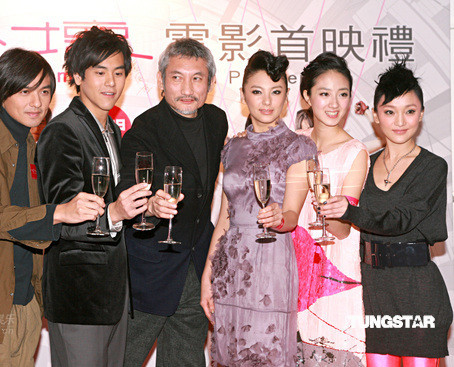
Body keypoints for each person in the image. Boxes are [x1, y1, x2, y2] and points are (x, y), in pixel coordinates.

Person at [0, 48, 104, 366]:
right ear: (1, 91)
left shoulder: (37, 150)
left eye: (45, 91)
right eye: (25, 91)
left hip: (26, 309)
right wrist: (59, 212)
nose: (37, 102)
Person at [320, 61, 453, 366]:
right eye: (390, 111)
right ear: (376, 116)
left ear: (420, 114)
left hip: (417, 293)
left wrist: (352, 212)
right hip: (373, 294)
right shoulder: (363, 163)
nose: (400, 121)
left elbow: (399, 220)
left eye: (410, 110)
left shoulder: (432, 167)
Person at [36, 27, 150, 366]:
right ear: (77, 77)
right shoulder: (63, 132)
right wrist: (113, 213)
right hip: (79, 297)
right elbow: (59, 215)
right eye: (99, 72)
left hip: (112, 294)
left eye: (118, 72)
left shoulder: (110, 130)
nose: (110, 82)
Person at [200, 50, 316, 366]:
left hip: (271, 263)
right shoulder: (232, 147)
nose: (267, 101)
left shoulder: (299, 146)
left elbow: (291, 216)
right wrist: (208, 275)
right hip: (230, 267)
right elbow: (225, 217)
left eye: (275, 92)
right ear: (244, 96)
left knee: (268, 354)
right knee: (228, 356)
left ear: (286, 97)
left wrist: (280, 217)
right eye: (257, 91)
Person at [117, 38, 228, 366]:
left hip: (195, 268)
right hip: (149, 271)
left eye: (198, 78)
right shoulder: (144, 130)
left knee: (187, 361)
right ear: (161, 81)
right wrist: (150, 206)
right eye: (177, 77)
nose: (187, 88)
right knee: (123, 358)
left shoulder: (216, 121)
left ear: (210, 83)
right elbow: (126, 188)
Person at [294, 52, 369, 366]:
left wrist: (335, 210)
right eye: (324, 94)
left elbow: (340, 231)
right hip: (293, 277)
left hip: (334, 282)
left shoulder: (356, 152)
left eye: (343, 94)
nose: (334, 103)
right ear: (307, 97)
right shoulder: (293, 144)